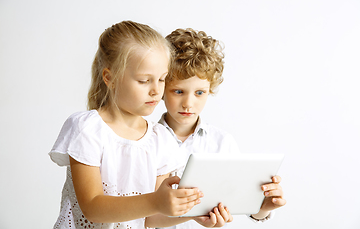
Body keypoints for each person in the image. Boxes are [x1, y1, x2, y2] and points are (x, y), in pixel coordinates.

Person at [48, 21, 206, 229]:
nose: (155, 91)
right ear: (109, 78)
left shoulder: (161, 139)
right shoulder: (87, 129)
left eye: (161, 79)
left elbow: (151, 218)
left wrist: (193, 214)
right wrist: (155, 201)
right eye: (143, 80)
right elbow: (93, 208)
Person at [158, 28, 287, 228]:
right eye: (178, 91)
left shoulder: (221, 142)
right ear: (161, 88)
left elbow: (238, 200)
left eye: (199, 92)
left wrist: (263, 208)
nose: (188, 103)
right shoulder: (144, 139)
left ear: (210, 90)